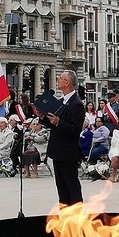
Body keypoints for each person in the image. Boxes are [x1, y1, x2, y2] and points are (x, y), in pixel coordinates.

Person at [37, 70, 85, 206]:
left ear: (67, 82)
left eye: (60, 78)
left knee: (71, 185)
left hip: (68, 152)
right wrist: (42, 116)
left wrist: (59, 122)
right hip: (57, 150)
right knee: (61, 187)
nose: (57, 80)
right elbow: (52, 123)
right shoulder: (61, 101)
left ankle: (76, 214)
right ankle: (64, 215)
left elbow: (75, 129)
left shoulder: (76, 104)